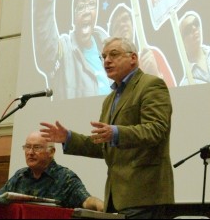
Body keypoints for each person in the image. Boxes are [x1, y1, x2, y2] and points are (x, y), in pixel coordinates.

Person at [40, 37, 174, 219]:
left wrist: (116, 132)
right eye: (103, 56)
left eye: (114, 54)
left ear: (133, 58)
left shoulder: (150, 85)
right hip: (117, 197)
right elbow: (104, 145)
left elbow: (156, 129)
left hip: (145, 195)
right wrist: (69, 138)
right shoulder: (109, 100)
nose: (107, 60)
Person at [32, 0, 111, 100]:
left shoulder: (109, 52)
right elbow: (46, 43)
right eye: (81, 7)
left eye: (92, 4)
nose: (87, 11)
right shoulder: (64, 49)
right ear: (73, 17)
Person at [0, 131, 104, 211]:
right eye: (27, 147)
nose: (30, 152)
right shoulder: (20, 176)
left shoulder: (65, 177)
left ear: (51, 152)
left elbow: (86, 200)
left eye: (37, 147)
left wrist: (101, 206)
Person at [107, 2, 176, 87]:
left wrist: (156, 73)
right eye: (117, 25)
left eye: (125, 19)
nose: (122, 24)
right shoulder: (111, 70)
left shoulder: (152, 55)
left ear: (132, 25)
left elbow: (172, 90)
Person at [179, 11, 210, 85]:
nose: (194, 28)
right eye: (188, 29)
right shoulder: (186, 83)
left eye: (196, 23)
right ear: (182, 42)